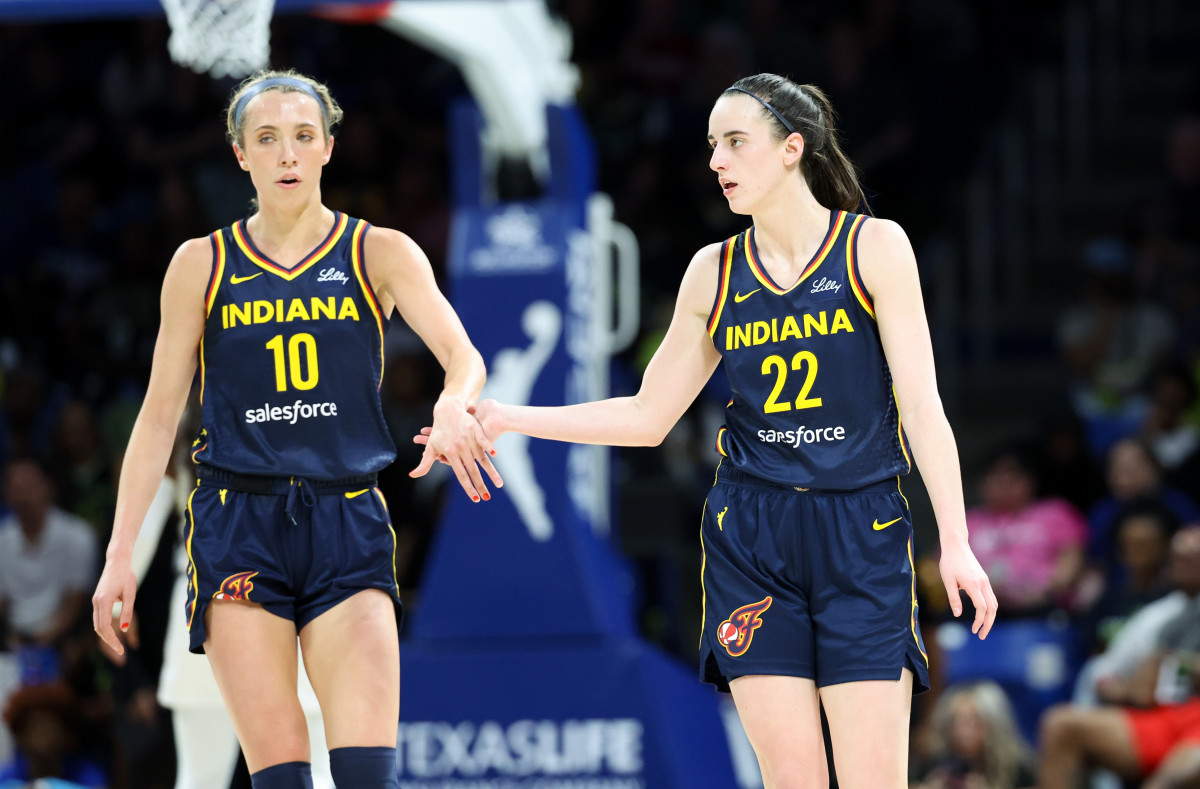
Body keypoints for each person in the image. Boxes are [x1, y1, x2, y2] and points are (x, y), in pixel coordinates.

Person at [419, 73, 996, 788]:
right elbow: (645, 415)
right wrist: (508, 416)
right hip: (753, 537)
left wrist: (958, 541)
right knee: (791, 777)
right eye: (712, 145)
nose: (716, 161)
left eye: (735, 143)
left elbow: (922, 408)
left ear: (792, 148)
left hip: (862, 529)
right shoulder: (712, 271)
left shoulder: (874, 247)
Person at [90, 69, 501, 789]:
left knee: (367, 775)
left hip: (346, 517)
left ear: (328, 148)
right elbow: (157, 419)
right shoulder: (200, 263)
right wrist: (119, 554)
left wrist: (452, 402)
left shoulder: (380, 251)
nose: (287, 154)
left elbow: (464, 358)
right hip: (237, 522)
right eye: (268, 138)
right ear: (240, 153)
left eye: (302, 137)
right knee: (280, 776)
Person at [1038, 525, 1200, 789]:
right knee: (1060, 725)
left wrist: (1186, 666)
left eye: (1194, 555)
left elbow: (1182, 665)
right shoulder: (1160, 616)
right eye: (1180, 556)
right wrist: (1127, 689)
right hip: (1163, 716)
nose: (1185, 563)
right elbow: (1105, 672)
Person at [911, 680, 1035, 789]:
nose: (962, 731)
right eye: (955, 722)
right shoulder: (934, 764)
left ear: (994, 725)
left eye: (974, 722)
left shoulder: (1018, 769)